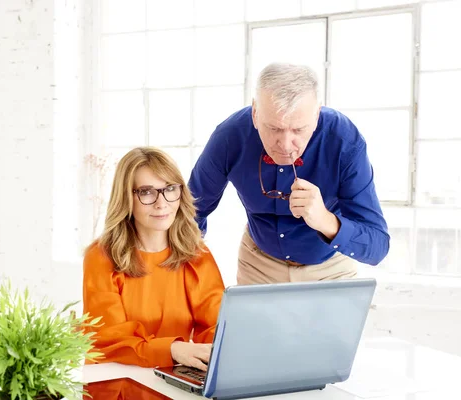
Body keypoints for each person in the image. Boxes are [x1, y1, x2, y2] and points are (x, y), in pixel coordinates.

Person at [188, 62, 390, 285]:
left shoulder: (344, 141)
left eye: (298, 130)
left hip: (329, 267)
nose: (285, 145)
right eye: (274, 128)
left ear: (316, 116)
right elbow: (190, 212)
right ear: (255, 113)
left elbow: (377, 247)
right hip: (257, 265)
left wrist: (325, 220)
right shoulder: (230, 136)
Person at [82, 147, 225, 371]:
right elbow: (109, 339)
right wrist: (172, 350)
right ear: (126, 197)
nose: (162, 203)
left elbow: (217, 326)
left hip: (172, 375)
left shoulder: (197, 255)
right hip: (115, 376)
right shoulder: (101, 256)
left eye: (169, 188)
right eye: (147, 192)